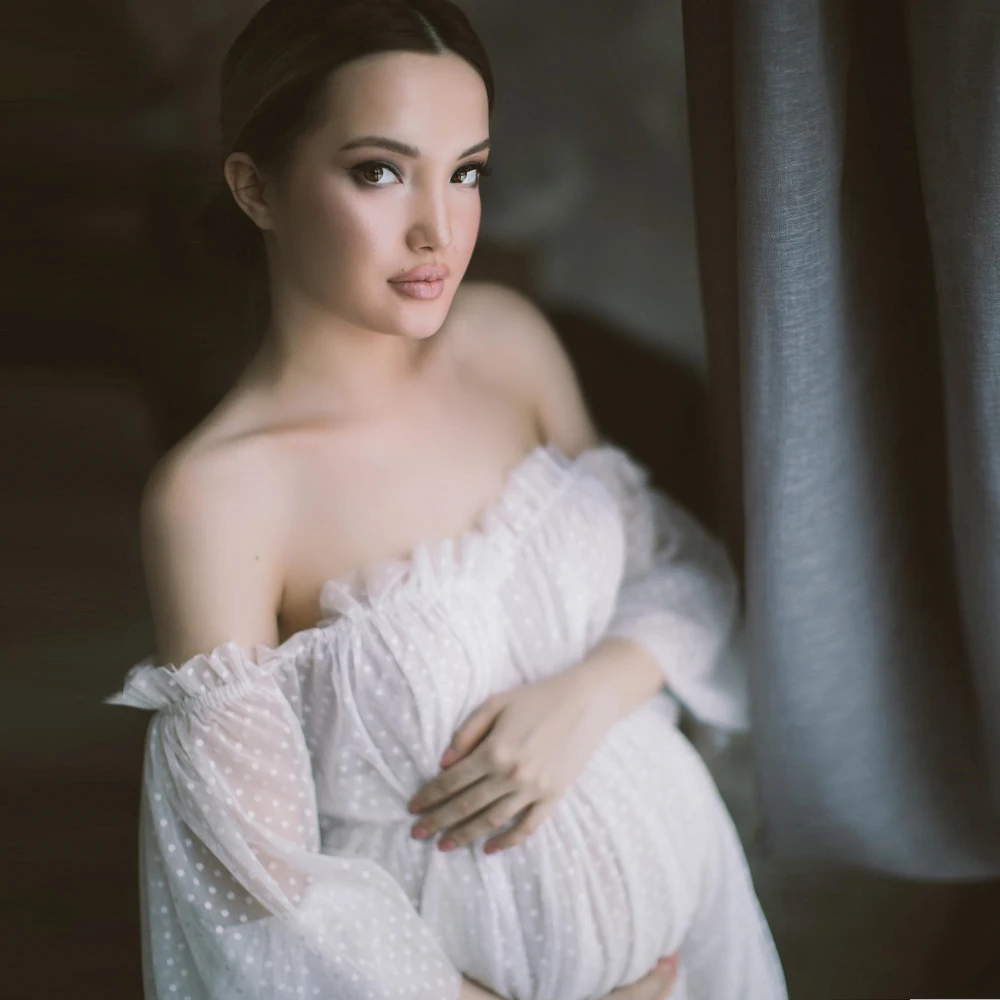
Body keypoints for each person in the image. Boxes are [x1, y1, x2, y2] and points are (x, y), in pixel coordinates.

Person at [104, 1, 787, 997]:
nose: (439, 226)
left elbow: (674, 573)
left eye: (465, 170)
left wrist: (590, 693)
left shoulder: (507, 340)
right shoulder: (218, 497)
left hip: (703, 933)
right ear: (256, 186)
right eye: (378, 170)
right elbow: (256, 888)